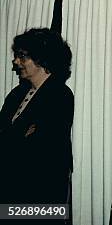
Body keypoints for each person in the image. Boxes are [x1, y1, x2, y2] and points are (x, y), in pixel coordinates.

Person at [0, 28, 74, 205]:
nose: (16, 61)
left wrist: (12, 140)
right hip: (9, 190)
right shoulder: (16, 94)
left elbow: (43, 147)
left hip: (43, 193)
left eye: (23, 56)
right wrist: (21, 136)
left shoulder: (61, 95)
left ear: (43, 59)